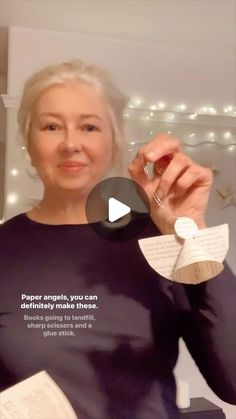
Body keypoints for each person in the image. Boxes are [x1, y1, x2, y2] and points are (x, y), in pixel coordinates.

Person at [0, 59, 235, 419]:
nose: (70, 143)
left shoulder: (162, 242)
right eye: (50, 126)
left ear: (114, 142)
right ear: (29, 144)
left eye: (89, 126)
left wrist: (190, 231)